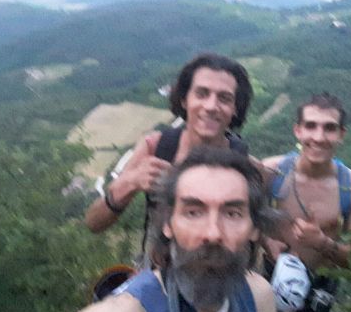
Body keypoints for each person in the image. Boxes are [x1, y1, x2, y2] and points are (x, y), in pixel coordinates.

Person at [52, 147, 280, 312]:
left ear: (255, 229)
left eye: (232, 214)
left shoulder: (258, 296)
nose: (213, 233)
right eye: (193, 212)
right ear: (168, 225)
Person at [85, 53, 253, 233]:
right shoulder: (157, 148)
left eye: (224, 98)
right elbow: (94, 223)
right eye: (202, 94)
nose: (211, 106)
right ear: (184, 100)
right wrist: (131, 183)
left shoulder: (243, 163)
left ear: (235, 108)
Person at [262, 92, 351, 312]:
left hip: (320, 282)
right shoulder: (272, 172)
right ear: (298, 130)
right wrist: (266, 240)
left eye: (329, 128)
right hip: (270, 272)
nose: (319, 137)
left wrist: (321, 242)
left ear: (341, 134)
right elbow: (244, 218)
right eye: (311, 126)